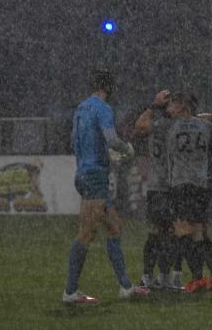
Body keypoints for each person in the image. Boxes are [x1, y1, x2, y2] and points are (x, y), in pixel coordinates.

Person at [62, 71, 150, 304]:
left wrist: (100, 154)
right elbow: (111, 139)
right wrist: (126, 149)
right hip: (94, 175)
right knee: (87, 232)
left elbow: (74, 141)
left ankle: (126, 287)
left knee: (114, 226)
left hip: (83, 172)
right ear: (109, 88)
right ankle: (70, 292)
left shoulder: (80, 109)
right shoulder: (104, 108)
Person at [165, 92, 212, 293]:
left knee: (182, 230)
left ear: (183, 107)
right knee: (199, 232)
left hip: (181, 183)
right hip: (201, 184)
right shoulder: (206, 126)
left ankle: (197, 279)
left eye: (174, 105)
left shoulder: (172, 128)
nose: (171, 109)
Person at [134, 89, 178, 289]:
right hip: (172, 186)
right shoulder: (176, 125)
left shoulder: (157, 125)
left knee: (156, 232)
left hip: (157, 186)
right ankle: (164, 277)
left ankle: (148, 276)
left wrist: (154, 105)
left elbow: (139, 126)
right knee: (169, 232)